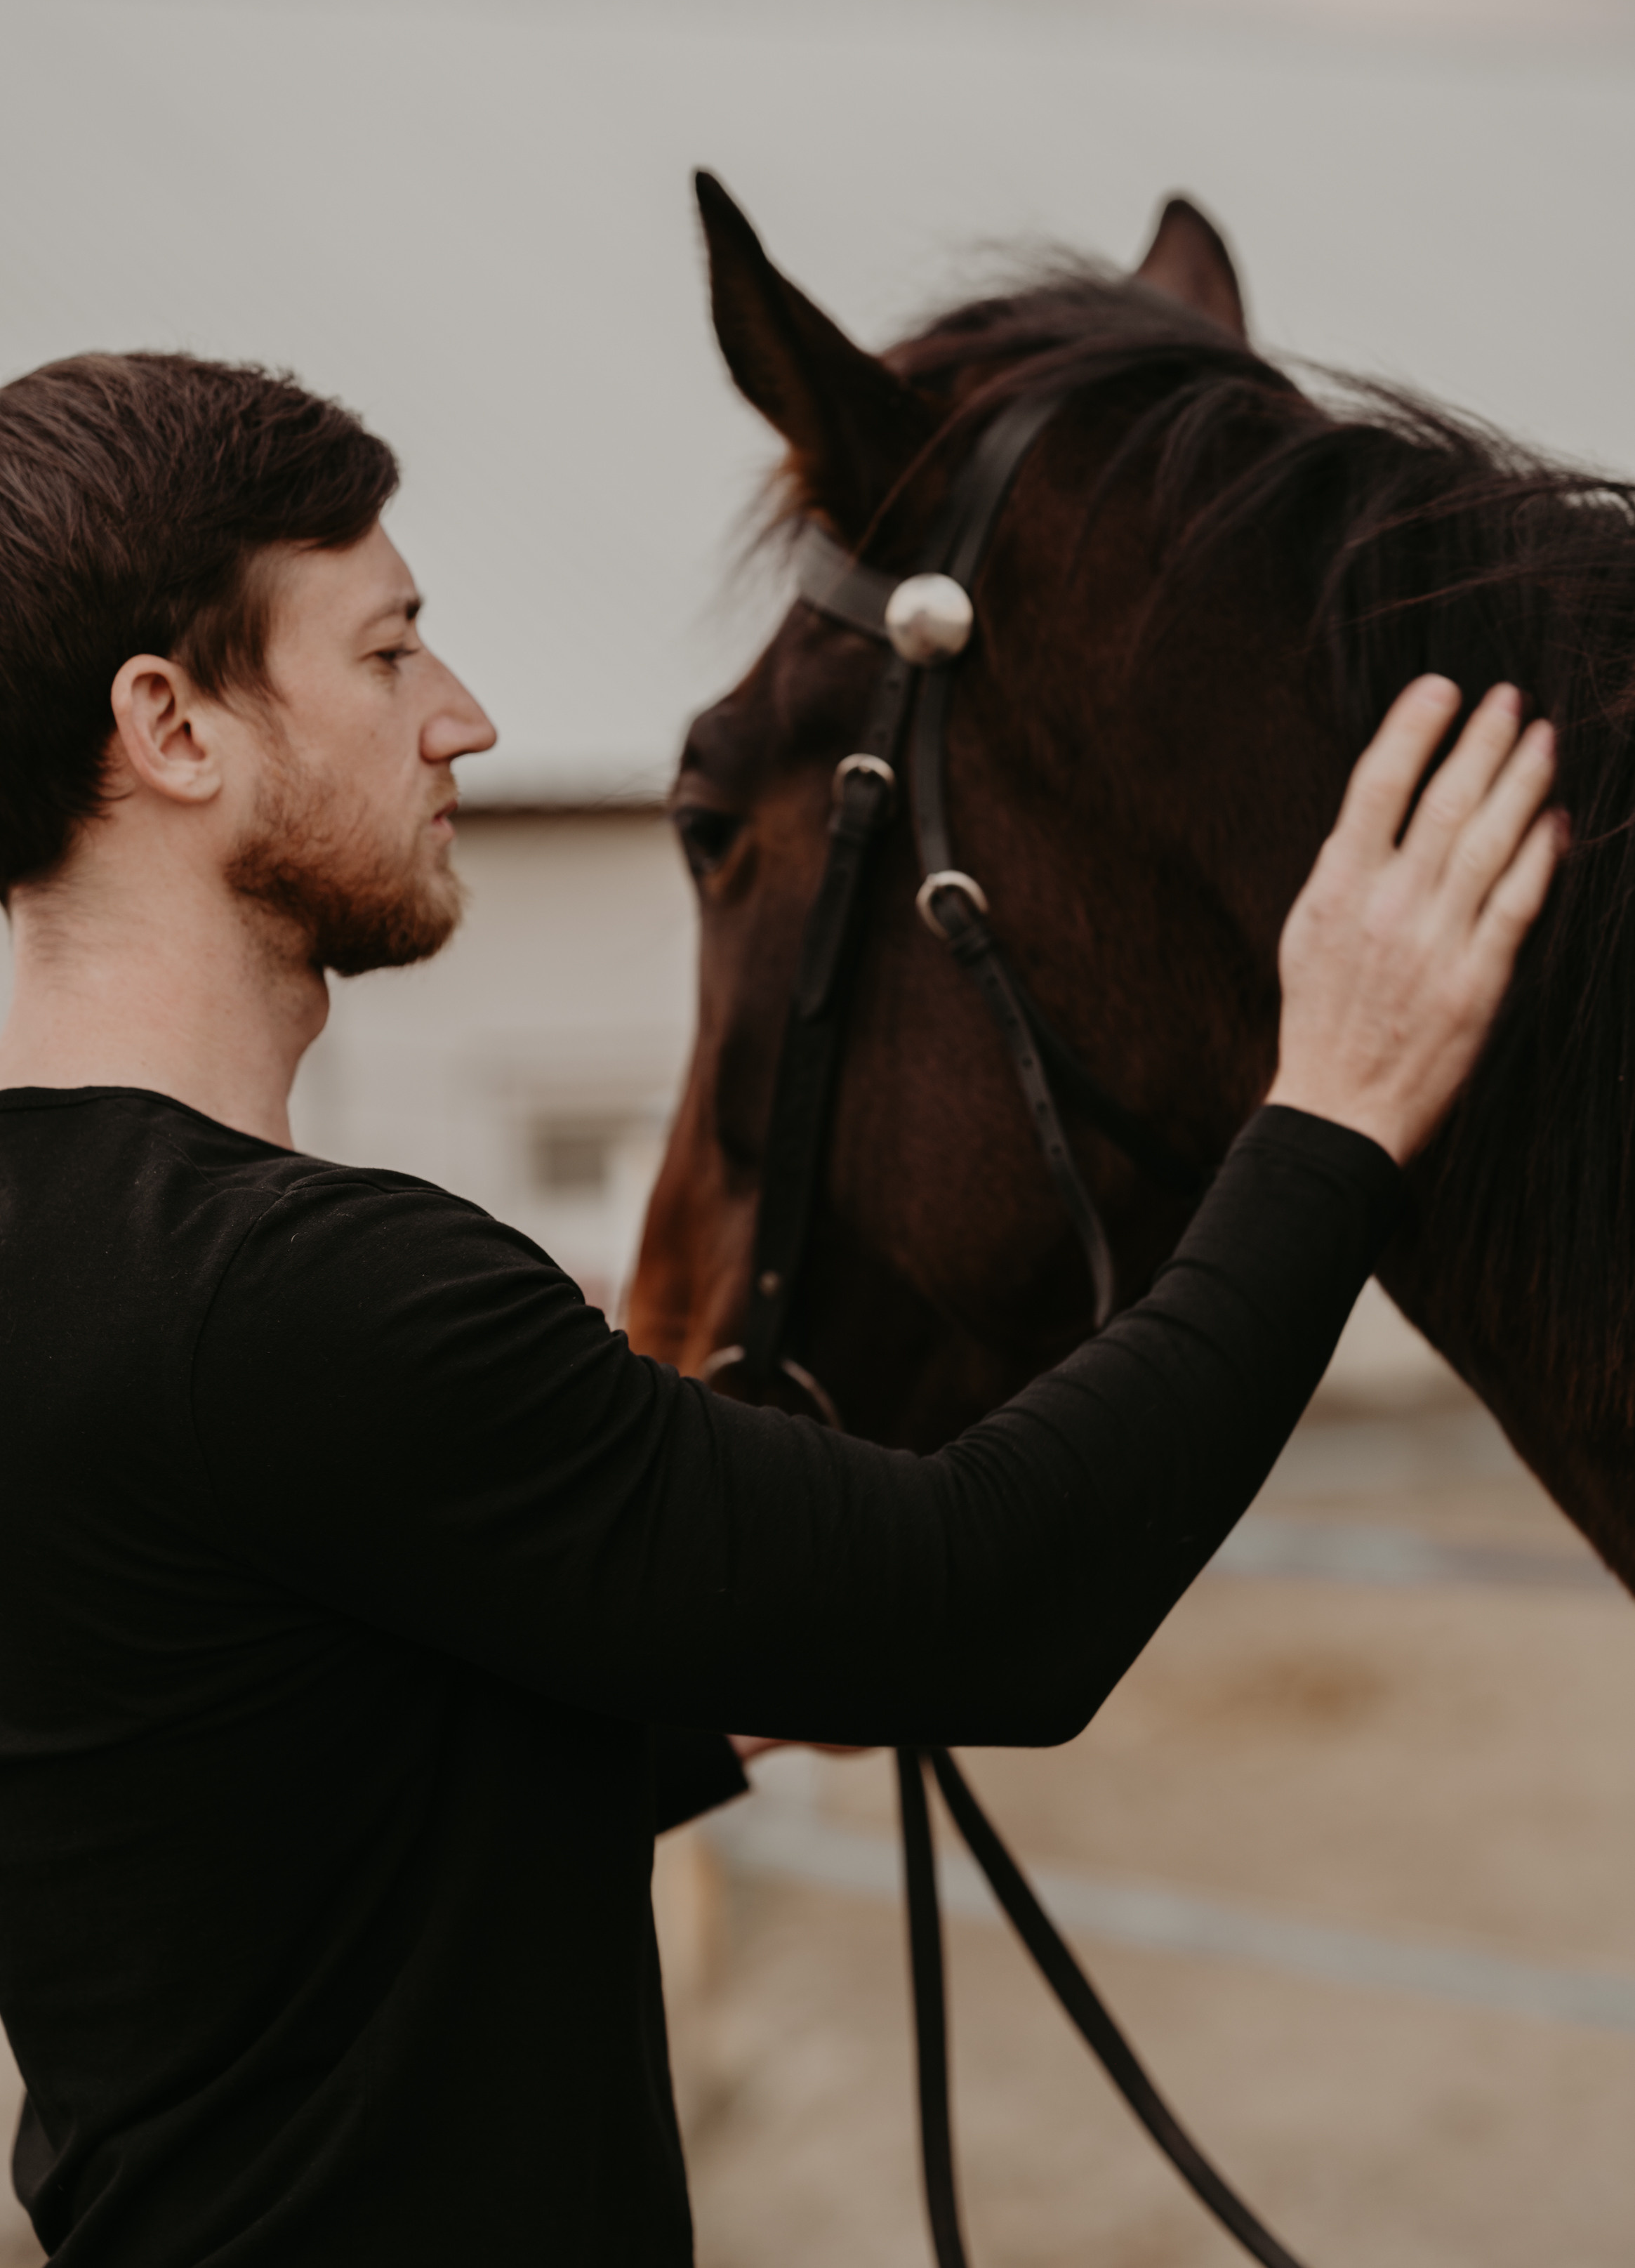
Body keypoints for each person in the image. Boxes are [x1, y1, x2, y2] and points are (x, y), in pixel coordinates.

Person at [0, 352, 1559, 2268]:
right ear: (171, 724)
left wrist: (723, 1675)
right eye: (391, 651)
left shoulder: (73, 1266)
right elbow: (1000, 1602)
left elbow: (258, 1808)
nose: (464, 719)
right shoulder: (322, 1291)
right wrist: (1335, 1109)